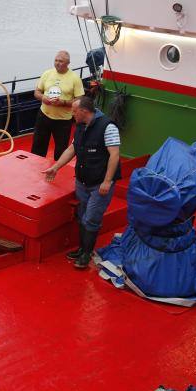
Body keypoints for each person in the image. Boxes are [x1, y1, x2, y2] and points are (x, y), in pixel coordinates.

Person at [42, 96, 121, 269]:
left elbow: (114, 155)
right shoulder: (80, 126)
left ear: (84, 111)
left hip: (99, 183)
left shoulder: (108, 127)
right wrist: (55, 167)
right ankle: (81, 249)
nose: (72, 114)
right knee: (82, 215)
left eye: (74, 111)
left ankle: (86, 253)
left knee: (91, 218)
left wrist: (107, 181)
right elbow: (72, 149)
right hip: (83, 180)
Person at [30, 50, 85, 160]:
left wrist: (63, 103)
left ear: (68, 63)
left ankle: (58, 168)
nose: (57, 63)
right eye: (56, 60)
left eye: (61, 61)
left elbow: (80, 100)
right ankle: (36, 166)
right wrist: (43, 98)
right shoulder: (47, 74)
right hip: (44, 116)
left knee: (61, 150)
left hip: (63, 120)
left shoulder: (75, 78)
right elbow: (37, 92)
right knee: (38, 147)